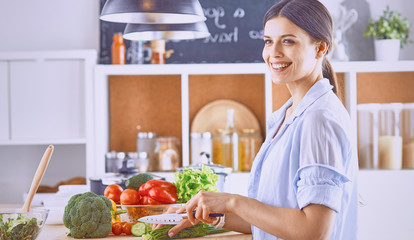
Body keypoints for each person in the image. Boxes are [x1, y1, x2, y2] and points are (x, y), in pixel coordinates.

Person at [155, 0, 359, 239]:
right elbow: (274, 220)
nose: (274, 53)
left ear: (320, 48)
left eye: (288, 41)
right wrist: (200, 216)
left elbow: (314, 231)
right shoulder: (289, 114)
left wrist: (232, 201)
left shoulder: (319, 119)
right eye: (268, 41)